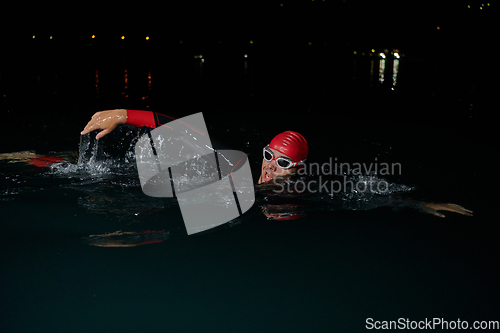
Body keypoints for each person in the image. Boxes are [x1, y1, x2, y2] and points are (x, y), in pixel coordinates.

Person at [81, 109, 473, 218]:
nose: (269, 165)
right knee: (120, 180)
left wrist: (420, 203)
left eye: (281, 162)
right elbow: (190, 133)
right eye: (268, 155)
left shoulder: (307, 190)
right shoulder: (240, 167)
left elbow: (365, 196)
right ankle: (44, 161)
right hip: (186, 191)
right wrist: (127, 113)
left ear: (298, 169)